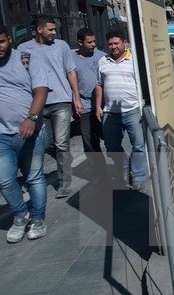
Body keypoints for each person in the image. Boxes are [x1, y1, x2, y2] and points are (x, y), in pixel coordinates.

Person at [0, 22, 49, 242]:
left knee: (34, 177)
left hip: (32, 131)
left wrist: (31, 118)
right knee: (4, 180)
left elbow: (41, 90)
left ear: (9, 39)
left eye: (0, 41)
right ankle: (21, 214)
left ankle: (38, 218)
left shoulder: (27, 59)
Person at [18, 16, 83, 198]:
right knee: (45, 144)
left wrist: (76, 98)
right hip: (38, 104)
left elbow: (71, 72)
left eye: (55, 30)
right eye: (51, 30)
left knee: (62, 143)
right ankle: (65, 162)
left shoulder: (61, 46)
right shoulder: (24, 49)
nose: (54, 33)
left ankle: (64, 182)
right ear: (39, 30)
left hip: (61, 100)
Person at [95, 31, 147, 190]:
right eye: (110, 44)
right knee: (111, 146)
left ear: (125, 43)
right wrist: (98, 106)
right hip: (110, 112)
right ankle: (123, 166)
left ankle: (138, 176)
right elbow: (99, 85)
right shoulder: (103, 61)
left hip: (132, 110)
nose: (113, 47)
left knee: (138, 145)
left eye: (116, 43)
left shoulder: (135, 60)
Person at [74, 28, 106, 170]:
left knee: (110, 139)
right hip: (85, 106)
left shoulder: (102, 57)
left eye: (94, 41)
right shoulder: (71, 59)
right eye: (89, 42)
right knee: (90, 143)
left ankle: (121, 167)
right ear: (80, 42)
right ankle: (100, 173)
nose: (93, 44)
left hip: (103, 106)